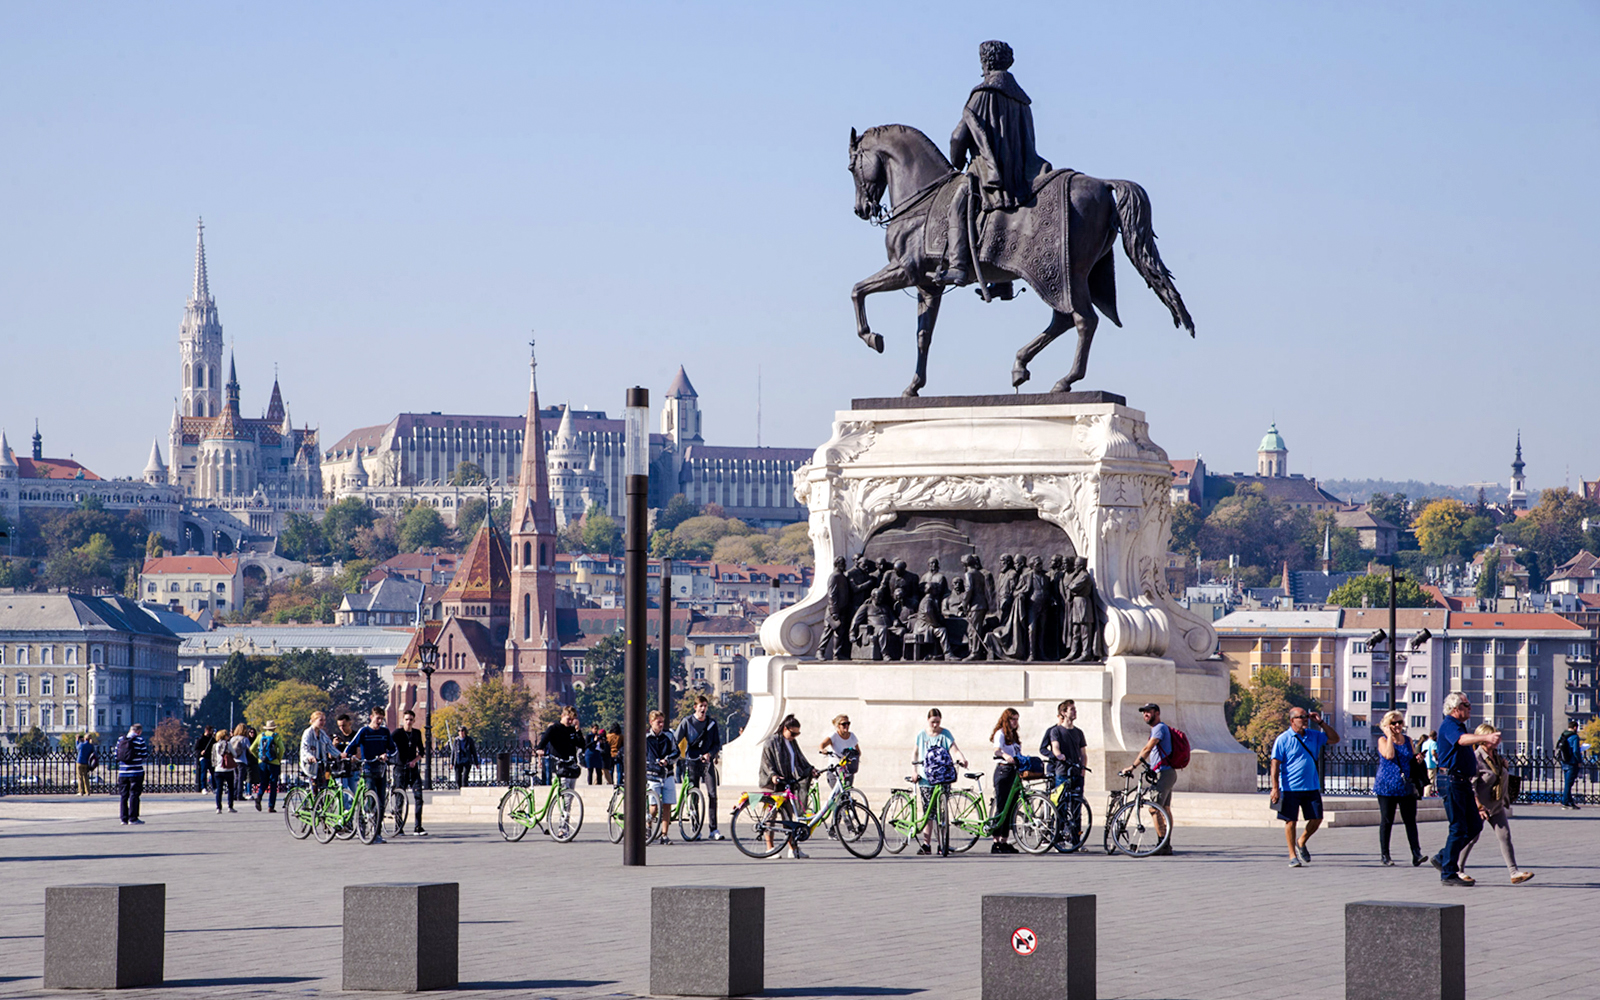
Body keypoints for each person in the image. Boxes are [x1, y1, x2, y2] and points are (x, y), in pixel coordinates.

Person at [936, 39, 1053, 290]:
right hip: (1022, 173)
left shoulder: (982, 94)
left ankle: (957, 266)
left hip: (989, 172)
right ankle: (1002, 281)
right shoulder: (1022, 99)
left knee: (957, 205)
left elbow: (958, 137)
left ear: (985, 62)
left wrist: (956, 164)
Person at [1430, 692, 1501, 886]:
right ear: (1456, 709)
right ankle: (1448, 872)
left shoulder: (1459, 726)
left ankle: (1443, 857)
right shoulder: (1450, 725)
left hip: (1461, 781)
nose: (1470, 708)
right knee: (1458, 827)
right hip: (1452, 780)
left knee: (1474, 825)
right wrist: (1484, 736)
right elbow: (1461, 740)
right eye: (1466, 704)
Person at [1457, 723, 1535, 885]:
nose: (1497, 740)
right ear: (1483, 739)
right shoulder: (1476, 758)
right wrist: (1478, 806)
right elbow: (1472, 785)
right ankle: (1457, 869)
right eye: (1493, 737)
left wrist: (1503, 768)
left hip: (1496, 805)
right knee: (1471, 838)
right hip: (1480, 807)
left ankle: (1514, 872)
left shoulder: (1496, 757)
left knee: (1505, 836)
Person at [1270, 706, 1340, 867]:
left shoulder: (1314, 736)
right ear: (1292, 720)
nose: (1305, 720)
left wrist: (1321, 722)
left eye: (1306, 717)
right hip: (1290, 788)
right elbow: (1275, 764)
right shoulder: (1283, 739)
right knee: (1290, 821)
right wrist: (1275, 788)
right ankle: (1292, 855)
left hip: (1311, 786)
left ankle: (1301, 841)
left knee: (1317, 818)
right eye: (1301, 717)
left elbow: (1335, 739)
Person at [1121, 703, 1178, 855]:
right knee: (1164, 809)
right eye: (1143, 712)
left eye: (1148, 712)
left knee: (1155, 809)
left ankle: (1162, 845)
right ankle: (1165, 843)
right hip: (1166, 773)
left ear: (1157, 713)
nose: (1145, 714)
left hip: (1163, 773)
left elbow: (1148, 748)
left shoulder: (1159, 728)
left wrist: (1132, 766)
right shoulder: (1158, 728)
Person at [757, 714, 817, 858]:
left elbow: (800, 758)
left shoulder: (792, 742)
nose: (795, 736)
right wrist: (773, 776)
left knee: (788, 816)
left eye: (797, 733)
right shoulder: (772, 741)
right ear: (785, 729)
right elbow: (767, 761)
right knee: (771, 816)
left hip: (786, 782)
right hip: (772, 783)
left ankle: (793, 849)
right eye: (793, 733)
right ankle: (769, 848)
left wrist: (810, 769)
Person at [913, 708, 969, 856]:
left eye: (938, 722)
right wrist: (914, 771)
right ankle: (926, 844)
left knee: (942, 813)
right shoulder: (921, 735)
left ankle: (942, 843)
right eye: (933, 722)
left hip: (943, 777)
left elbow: (954, 749)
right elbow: (915, 753)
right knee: (928, 812)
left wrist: (962, 758)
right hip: (926, 778)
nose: (935, 725)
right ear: (928, 721)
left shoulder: (945, 734)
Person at [1373, 711, 1425, 867]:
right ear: (1387, 725)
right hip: (1387, 786)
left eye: (1400, 722)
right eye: (1393, 723)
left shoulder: (1408, 740)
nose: (1397, 726)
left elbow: (1410, 759)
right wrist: (1389, 737)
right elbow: (1389, 755)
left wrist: (1418, 759)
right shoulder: (1382, 740)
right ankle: (1385, 854)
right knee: (1387, 820)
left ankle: (1416, 853)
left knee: (1410, 820)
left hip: (1405, 785)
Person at [343, 707, 397, 844]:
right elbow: (351, 745)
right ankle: (364, 825)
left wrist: (387, 755)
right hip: (367, 768)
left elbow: (393, 748)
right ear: (370, 717)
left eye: (381, 719)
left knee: (380, 802)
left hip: (381, 769)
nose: (379, 721)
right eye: (377, 718)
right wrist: (348, 756)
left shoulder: (385, 732)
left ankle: (377, 833)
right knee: (370, 799)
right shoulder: (364, 731)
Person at [676, 695, 727, 840]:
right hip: (692, 761)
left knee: (712, 794)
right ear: (695, 707)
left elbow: (717, 743)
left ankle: (713, 829)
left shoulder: (711, 723)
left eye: (705, 706)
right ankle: (695, 827)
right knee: (694, 795)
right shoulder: (687, 722)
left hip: (707, 762)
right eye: (701, 706)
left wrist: (710, 754)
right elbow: (676, 739)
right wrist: (675, 756)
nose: (703, 709)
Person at [1043, 699, 1087, 845]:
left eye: (1075, 709)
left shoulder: (1079, 732)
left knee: (1076, 808)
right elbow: (1055, 746)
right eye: (1072, 709)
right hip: (1062, 772)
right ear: (1063, 713)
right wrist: (1058, 755)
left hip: (1076, 773)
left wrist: (1082, 770)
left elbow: (1083, 753)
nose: (1075, 712)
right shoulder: (1056, 731)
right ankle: (1059, 838)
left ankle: (1076, 840)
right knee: (1060, 806)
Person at [988, 708, 1024, 854]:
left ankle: (1004, 840)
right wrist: (1005, 755)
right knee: (1002, 807)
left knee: (1011, 808)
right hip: (1003, 771)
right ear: (1006, 719)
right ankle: (996, 842)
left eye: (1017, 719)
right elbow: (996, 750)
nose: (1015, 722)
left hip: (1014, 773)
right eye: (1013, 719)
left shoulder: (1014, 736)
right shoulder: (1000, 733)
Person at [644, 710, 682, 845]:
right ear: (651, 722)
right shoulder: (646, 738)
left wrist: (667, 760)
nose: (661, 724)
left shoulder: (668, 736)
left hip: (667, 774)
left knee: (667, 805)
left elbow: (676, 752)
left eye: (662, 722)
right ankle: (648, 826)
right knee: (653, 807)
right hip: (652, 775)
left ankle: (664, 834)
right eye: (658, 722)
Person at [392, 710, 427, 836]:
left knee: (419, 798)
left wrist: (415, 761)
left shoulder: (416, 733)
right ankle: (398, 827)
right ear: (403, 720)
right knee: (400, 799)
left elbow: (422, 751)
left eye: (411, 719)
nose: (409, 722)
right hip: (400, 769)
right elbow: (389, 745)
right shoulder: (397, 733)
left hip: (413, 769)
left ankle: (418, 827)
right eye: (406, 719)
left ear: (414, 720)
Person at [537, 707, 586, 791]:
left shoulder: (571, 729)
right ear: (562, 716)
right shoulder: (554, 729)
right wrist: (540, 750)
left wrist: (578, 730)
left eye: (572, 720)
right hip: (559, 763)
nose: (570, 722)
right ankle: (562, 803)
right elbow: (543, 742)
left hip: (571, 763)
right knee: (565, 788)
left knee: (571, 790)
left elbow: (581, 744)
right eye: (568, 719)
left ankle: (566, 804)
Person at [115, 723, 148, 825]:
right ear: (139, 731)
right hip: (136, 772)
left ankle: (123, 818)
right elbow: (144, 754)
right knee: (134, 794)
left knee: (124, 796)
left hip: (123, 772)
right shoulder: (139, 740)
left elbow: (116, 755)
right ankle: (133, 818)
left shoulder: (120, 739)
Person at [250, 721, 284, 813]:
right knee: (273, 784)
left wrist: (258, 757)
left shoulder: (261, 736)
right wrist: (278, 758)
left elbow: (252, 748)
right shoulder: (276, 736)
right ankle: (271, 806)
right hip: (274, 762)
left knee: (263, 782)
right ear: (274, 728)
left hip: (262, 762)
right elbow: (282, 749)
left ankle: (259, 796)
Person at [300, 710, 337, 792]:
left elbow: (330, 746)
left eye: (324, 720)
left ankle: (319, 804)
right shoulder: (308, 733)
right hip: (311, 766)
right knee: (314, 790)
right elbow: (304, 748)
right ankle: (312, 804)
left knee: (323, 789)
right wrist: (310, 756)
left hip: (321, 765)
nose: (323, 722)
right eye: (320, 720)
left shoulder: (322, 734)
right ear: (313, 721)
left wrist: (340, 755)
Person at [212, 725, 240, 813]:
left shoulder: (215, 745)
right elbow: (234, 754)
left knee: (219, 789)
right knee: (230, 788)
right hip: (228, 769)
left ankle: (218, 807)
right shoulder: (228, 744)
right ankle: (230, 806)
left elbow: (213, 758)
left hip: (218, 769)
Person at [1557, 718, 1582, 810]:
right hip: (1572, 762)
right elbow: (1575, 750)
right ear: (1575, 727)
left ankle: (1570, 802)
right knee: (1568, 784)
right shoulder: (1574, 737)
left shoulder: (1563, 735)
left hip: (1564, 761)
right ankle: (1565, 802)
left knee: (1568, 782)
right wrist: (1579, 761)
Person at [331, 714, 358, 795]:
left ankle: (353, 807)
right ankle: (344, 808)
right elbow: (330, 756)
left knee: (354, 793)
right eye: (339, 726)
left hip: (352, 768)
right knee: (343, 793)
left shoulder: (355, 736)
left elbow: (359, 753)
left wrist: (354, 758)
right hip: (340, 768)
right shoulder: (337, 737)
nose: (341, 728)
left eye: (344, 725)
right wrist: (334, 745)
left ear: (349, 723)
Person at [195, 725, 215, 793]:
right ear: (207, 731)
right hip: (204, 758)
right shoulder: (201, 739)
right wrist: (201, 752)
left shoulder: (212, 739)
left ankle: (214, 787)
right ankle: (203, 787)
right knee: (203, 773)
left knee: (213, 773)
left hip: (211, 758)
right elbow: (196, 749)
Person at [1420, 731, 1439, 795]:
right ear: (1435, 736)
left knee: (1425, 780)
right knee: (1430, 781)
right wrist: (1437, 757)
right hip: (1431, 764)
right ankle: (1426, 795)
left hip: (1424, 764)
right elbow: (1433, 752)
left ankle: (1424, 794)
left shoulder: (1424, 743)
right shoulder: (1434, 743)